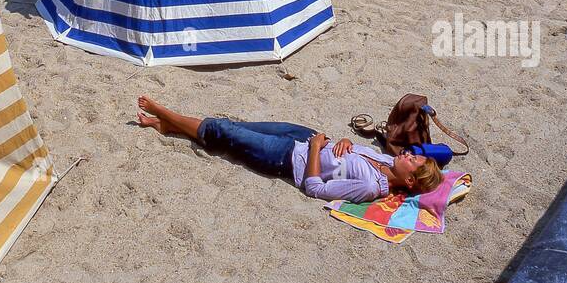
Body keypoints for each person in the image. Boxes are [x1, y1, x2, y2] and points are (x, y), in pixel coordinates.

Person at [135, 97, 443, 203]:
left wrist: (315, 149)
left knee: (222, 129)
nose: (407, 153)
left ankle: (164, 113)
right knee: (236, 128)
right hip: (303, 135)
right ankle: (167, 127)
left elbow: (314, 188)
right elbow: (350, 152)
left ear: (411, 181)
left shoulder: (368, 187)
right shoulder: (386, 159)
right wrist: (345, 143)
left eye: (412, 159)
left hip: (285, 157)